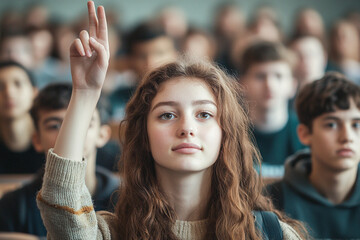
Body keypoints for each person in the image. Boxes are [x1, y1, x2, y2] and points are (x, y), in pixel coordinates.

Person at [36, 2, 306, 239]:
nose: (187, 128)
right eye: (167, 115)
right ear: (144, 134)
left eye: (204, 115)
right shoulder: (114, 233)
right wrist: (84, 94)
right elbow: (63, 209)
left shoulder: (270, 233)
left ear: (226, 133)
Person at [0, 83, 120, 237]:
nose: (70, 134)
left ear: (103, 135)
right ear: (36, 140)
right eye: (55, 125)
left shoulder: (126, 197)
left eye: (82, 123)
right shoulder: (14, 205)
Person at [266, 72, 360, 238]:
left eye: (356, 125)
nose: (347, 137)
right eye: (331, 124)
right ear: (304, 134)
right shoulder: (270, 201)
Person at [238, 41, 304, 177]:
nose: (269, 84)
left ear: (293, 86)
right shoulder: (230, 134)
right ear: (242, 84)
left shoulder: (306, 135)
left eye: (278, 76)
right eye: (260, 76)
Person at [0, 61, 44, 174]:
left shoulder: (50, 142)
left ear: (34, 92)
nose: (9, 93)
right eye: (0, 86)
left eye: (18, 84)